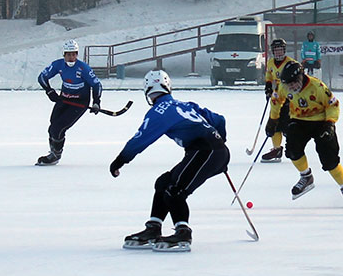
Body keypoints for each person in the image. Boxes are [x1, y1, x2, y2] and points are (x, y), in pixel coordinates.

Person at [109, 70, 230, 252]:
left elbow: (141, 139)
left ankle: (183, 233)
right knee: (164, 182)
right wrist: (222, 143)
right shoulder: (186, 104)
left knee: (174, 191)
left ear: (147, 92)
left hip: (206, 151)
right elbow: (219, 120)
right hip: (210, 151)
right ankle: (153, 228)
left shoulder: (158, 111)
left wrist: (120, 160)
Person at [266, 61, 343, 204]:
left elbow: (333, 105)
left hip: (322, 122)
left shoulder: (317, 87)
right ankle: (306, 176)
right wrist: (272, 120)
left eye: (294, 83)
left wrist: (330, 124)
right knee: (292, 150)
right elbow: (276, 101)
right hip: (299, 120)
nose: (292, 87)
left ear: (301, 76)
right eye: (289, 84)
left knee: (329, 158)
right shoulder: (284, 87)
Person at [36, 39, 103, 166]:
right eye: (68, 54)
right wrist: (49, 91)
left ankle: (55, 156)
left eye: (74, 54)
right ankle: (53, 152)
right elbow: (42, 77)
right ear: (64, 54)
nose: (71, 57)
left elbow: (96, 85)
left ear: (77, 54)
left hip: (79, 103)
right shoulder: (58, 65)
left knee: (58, 128)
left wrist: (96, 102)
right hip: (64, 100)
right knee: (52, 127)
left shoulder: (83, 68)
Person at [261, 38, 294, 163]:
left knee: (288, 125)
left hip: (289, 98)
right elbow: (269, 75)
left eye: (280, 50)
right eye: (276, 50)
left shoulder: (290, 63)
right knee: (274, 124)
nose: (278, 53)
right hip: (276, 98)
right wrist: (268, 87)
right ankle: (276, 149)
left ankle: (293, 147)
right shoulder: (270, 63)